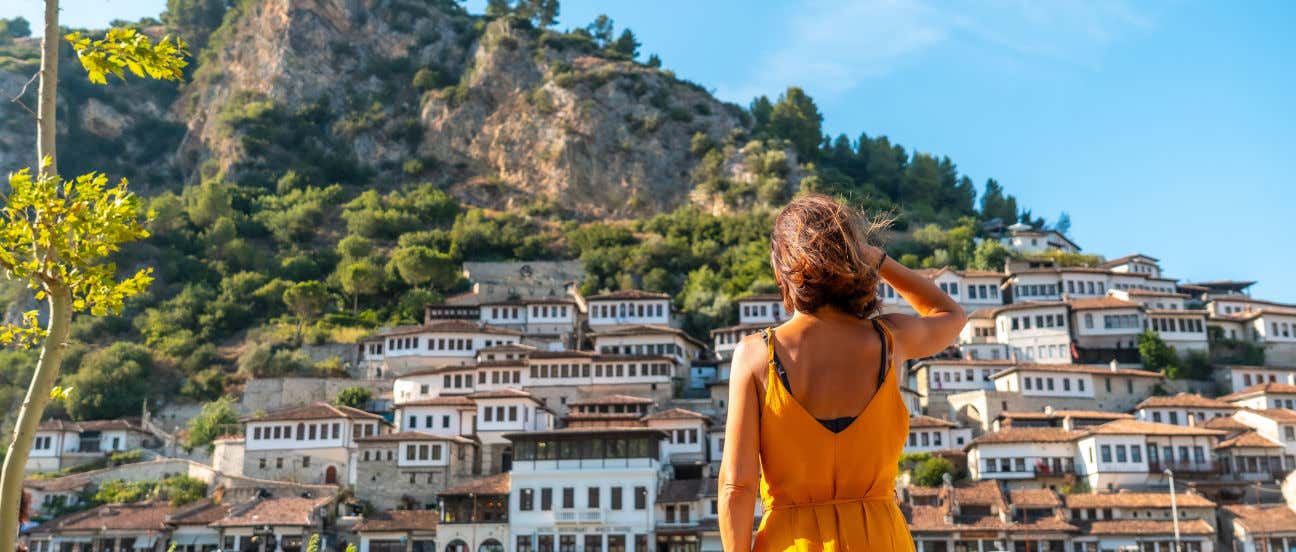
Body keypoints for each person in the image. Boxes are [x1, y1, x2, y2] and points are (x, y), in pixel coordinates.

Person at [718, 194, 967, 551]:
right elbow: (950, 315)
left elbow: (736, 487)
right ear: (858, 261)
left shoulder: (756, 356)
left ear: (782, 272)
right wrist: (878, 259)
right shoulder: (890, 341)